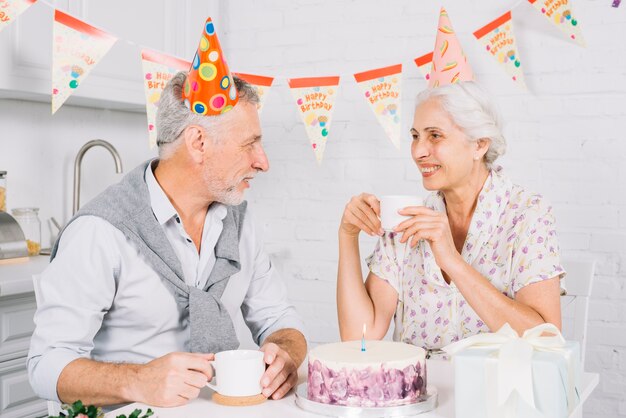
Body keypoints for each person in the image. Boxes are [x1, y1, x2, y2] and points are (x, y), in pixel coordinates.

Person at [28, 25, 307, 407]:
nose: (263, 162)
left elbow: (279, 318)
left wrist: (286, 353)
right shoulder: (100, 232)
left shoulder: (240, 221)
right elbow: (45, 365)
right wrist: (137, 380)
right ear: (198, 143)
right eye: (250, 145)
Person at [337, 81, 565, 350]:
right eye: (414, 136)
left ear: (479, 145)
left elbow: (546, 341)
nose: (419, 151)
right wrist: (347, 235)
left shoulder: (526, 214)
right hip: (423, 391)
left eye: (435, 135)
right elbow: (357, 337)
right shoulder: (404, 222)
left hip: (496, 390)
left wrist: (452, 261)